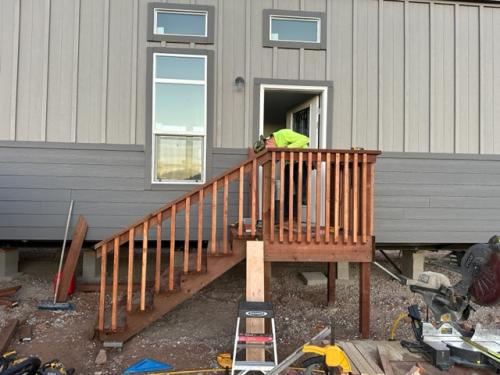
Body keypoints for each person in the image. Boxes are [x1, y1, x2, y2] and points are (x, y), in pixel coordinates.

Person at [253, 129, 310, 223]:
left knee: (300, 190)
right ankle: (286, 217)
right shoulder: (274, 145)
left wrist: (287, 148)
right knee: (286, 189)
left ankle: (295, 218)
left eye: (267, 149)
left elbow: (305, 139)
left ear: (268, 141)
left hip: (301, 162)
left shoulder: (284, 134)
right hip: (289, 164)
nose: (269, 151)